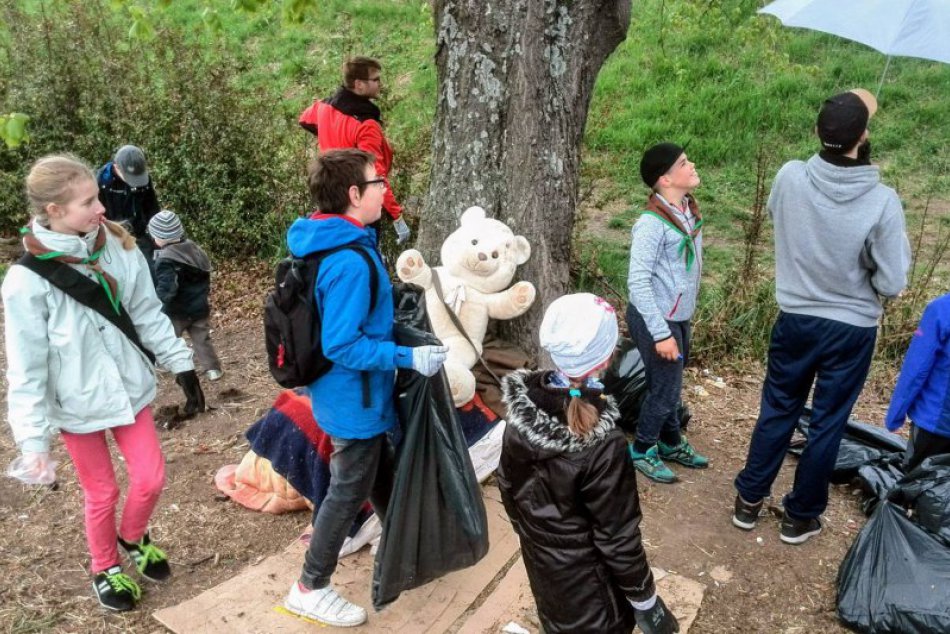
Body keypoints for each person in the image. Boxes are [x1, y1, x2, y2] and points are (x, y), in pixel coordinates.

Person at [2, 154, 204, 611]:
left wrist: (181, 363)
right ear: (54, 211)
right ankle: (104, 565)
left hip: (129, 388)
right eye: (89, 201)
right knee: (103, 491)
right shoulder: (24, 283)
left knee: (150, 478)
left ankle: (132, 537)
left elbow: (146, 312)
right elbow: (26, 368)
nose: (101, 208)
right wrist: (33, 443)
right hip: (76, 405)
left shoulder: (116, 245)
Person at [733, 89, 911, 544]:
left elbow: (779, 215)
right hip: (852, 328)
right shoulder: (883, 200)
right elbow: (892, 282)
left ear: (818, 131)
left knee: (777, 408)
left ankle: (749, 501)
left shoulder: (790, 177)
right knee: (829, 421)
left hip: (795, 317)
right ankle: (800, 516)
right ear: (864, 136)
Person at [282, 148, 447, 627]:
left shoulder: (332, 238)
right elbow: (342, 344)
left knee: (383, 477)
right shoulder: (350, 260)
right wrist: (408, 356)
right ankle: (309, 586)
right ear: (354, 195)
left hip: (350, 395)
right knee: (348, 490)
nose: (384, 190)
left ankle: (407, 550)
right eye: (377, 183)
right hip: (354, 399)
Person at [497, 293, 679, 634]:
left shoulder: (520, 414)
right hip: (592, 588)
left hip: (543, 566)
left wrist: (535, 540)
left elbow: (508, 488)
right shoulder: (604, 445)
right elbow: (618, 537)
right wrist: (646, 601)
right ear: (608, 357)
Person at [626, 142, 709, 483]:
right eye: (683, 163)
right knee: (664, 390)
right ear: (665, 180)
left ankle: (672, 441)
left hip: (679, 315)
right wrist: (660, 333)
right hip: (655, 319)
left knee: (671, 384)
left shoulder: (687, 210)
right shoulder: (651, 224)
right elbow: (637, 282)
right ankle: (643, 448)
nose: (691, 166)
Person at [298, 56, 410, 245]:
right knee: (365, 253)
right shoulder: (366, 124)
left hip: (331, 195)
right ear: (359, 85)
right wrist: (397, 217)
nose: (380, 84)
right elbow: (377, 173)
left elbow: (304, 119)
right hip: (360, 200)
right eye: (375, 80)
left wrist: (330, 137)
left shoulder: (325, 106)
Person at [148, 209, 223, 382]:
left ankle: (176, 368)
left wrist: (157, 304)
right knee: (202, 339)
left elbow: (168, 287)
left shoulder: (166, 260)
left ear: (160, 238)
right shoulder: (193, 249)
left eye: (154, 236)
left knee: (170, 339)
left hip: (177, 311)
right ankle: (213, 370)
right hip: (199, 307)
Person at [885, 293, 950, 471]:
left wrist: (895, 415)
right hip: (938, 421)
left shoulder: (941, 308)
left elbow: (916, 368)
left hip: (936, 425)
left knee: (915, 487)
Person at [96, 144, 161, 272]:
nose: (135, 182)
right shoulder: (101, 182)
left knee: (152, 271)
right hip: (113, 237)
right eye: (131, 177)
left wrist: (157, 234)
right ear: (116, 167)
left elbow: (152, 207)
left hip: (139, 234)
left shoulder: (143, 179)